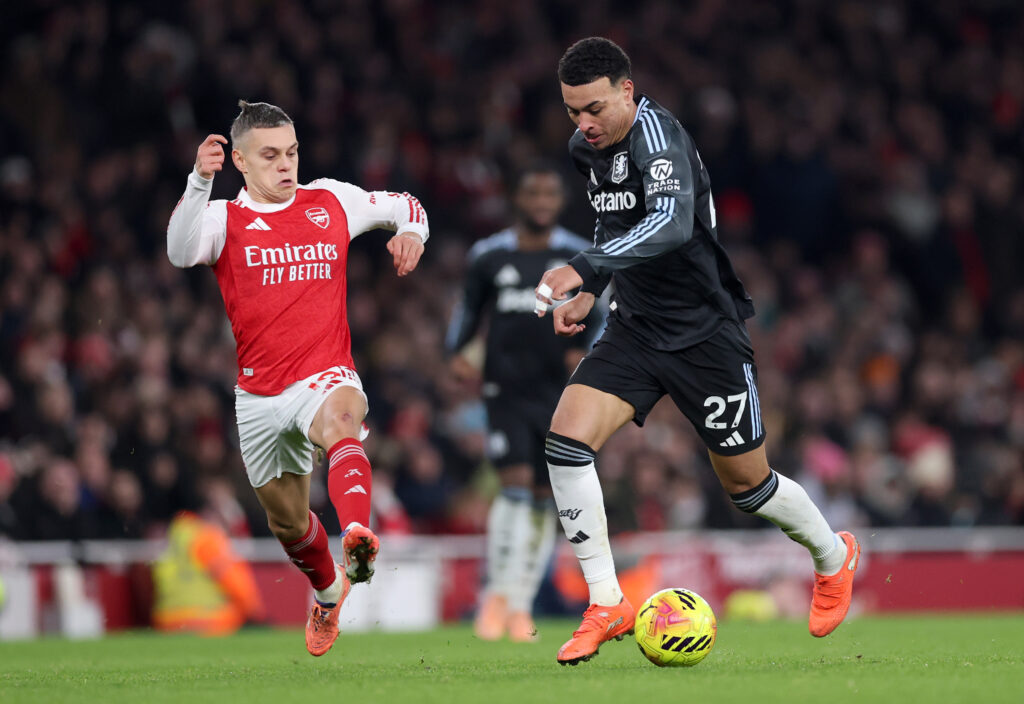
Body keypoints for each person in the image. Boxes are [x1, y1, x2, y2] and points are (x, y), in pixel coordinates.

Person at [533, 37, 860, 665]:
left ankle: (832, 555)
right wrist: (595, 286)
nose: (583, 124)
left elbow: (672, 223)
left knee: (748, 487)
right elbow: (613, 220)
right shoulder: (587, 150)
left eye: (595, 108)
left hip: (705, 334)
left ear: (627, 90)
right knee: (565, 442)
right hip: (634, 328)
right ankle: (607, 601)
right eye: (573, 111)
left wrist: (583, 266)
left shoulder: (662, 141)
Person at [166, 101, 428, 656]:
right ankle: (330, 592)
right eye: (269, 156)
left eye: (291, 152)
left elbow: (407, 204)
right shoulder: (223, 220)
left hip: (325, 372)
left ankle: (358, 533)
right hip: (259, 394)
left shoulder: (330, 199)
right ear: (238, 160)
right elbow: (180, 251)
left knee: (343, 421)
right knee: (287, 522)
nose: (285, 165)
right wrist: (198, 182)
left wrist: (412, 233)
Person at [446, 164, 598, 642]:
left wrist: (587, 354)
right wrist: (457, 351)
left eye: (549, 191)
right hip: (505, 390)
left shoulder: (577, 256)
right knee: (513, 487)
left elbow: (599, 311)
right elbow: (468, 309)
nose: (541, 200)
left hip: (559, 394)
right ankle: (496, 596)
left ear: (559, 199)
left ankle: (518, 604)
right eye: (533, 190)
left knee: (542, 498)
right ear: (517, 197)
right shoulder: (489, 256)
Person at [152, 509, 265, 636]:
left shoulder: (170, 538)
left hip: (168, 622)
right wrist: (256, 614)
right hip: (209, 619)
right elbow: (235, 582)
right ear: (209, 515)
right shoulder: (207, 538)